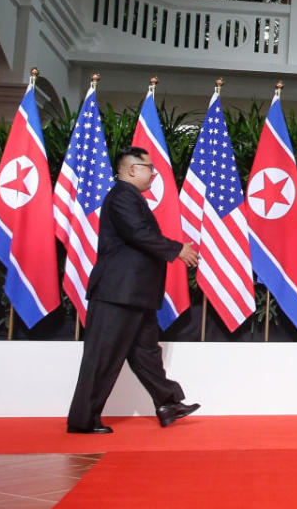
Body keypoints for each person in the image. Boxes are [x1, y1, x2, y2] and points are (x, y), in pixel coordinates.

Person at [67, 146, 201, 434]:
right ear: (131, 169)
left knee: (146, 353)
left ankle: (168, 404)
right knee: (102, 356)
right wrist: (176, 249)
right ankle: (83, 420)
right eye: (148, 168)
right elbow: (138, 233)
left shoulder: (131, 198)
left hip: (136, 294)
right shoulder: (121, 197)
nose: (153, 173)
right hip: (117, 293)